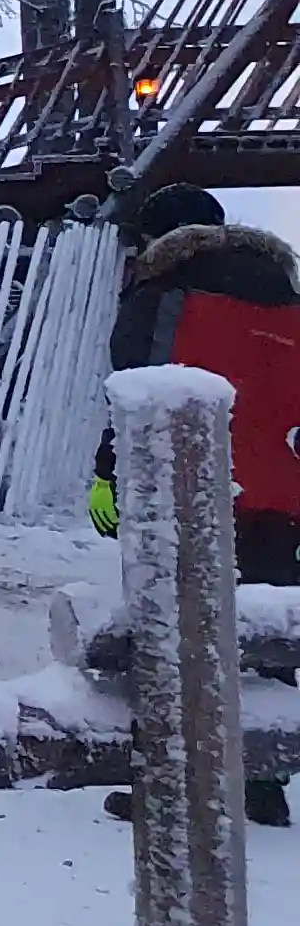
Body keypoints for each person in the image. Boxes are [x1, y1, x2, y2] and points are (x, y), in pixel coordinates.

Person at [104, 183, 300, 828]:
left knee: (174, 631)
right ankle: (263, 785)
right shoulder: (287, 299)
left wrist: (108, 472)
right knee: (263, 633)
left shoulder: (163, 293)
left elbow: (139, 390)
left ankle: (169, 784)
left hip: (185, 487)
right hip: (283, 492)